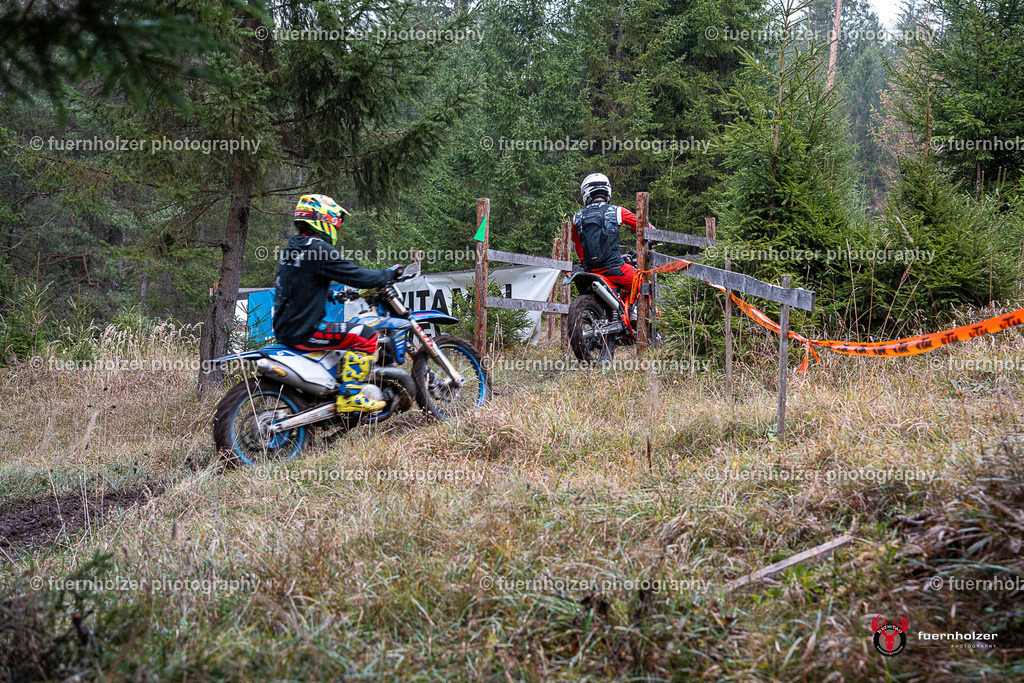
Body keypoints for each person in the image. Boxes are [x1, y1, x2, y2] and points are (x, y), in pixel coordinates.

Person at [273, 194, 403, 413]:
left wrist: (330, 295)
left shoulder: (293, 247)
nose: (338, 227)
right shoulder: (319, 249)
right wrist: (387, 274)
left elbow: (296, 284)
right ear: (323, 219)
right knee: (366, 335)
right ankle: (351, 396)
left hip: (286, 327)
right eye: (336, 221)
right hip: (306, 330)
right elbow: (358, 276)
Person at [570, 173, 653, 294]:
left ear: (585, 193)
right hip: (615, 268)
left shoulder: (577, 217)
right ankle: (643, 313)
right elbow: (647, 228)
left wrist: (584, 261)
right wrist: (654, 240)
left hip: (589, 271)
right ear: (607, 191)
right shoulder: (617, 211)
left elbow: (576, 244)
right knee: (645, 285)